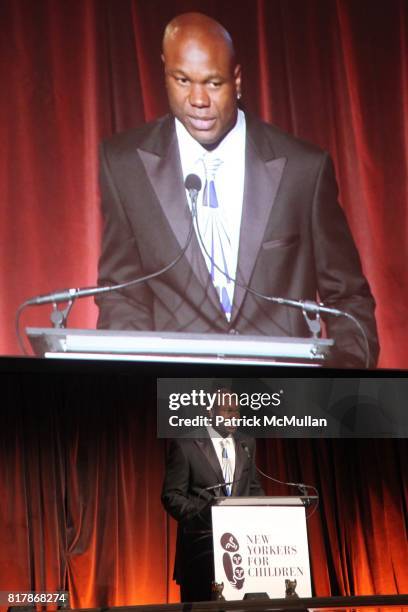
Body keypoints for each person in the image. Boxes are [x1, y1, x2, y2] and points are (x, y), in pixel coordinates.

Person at [96, 12, 379, 368]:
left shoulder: (303, 169)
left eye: (213, 83)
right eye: (183, 80)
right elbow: (123, 298)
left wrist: (338, 395)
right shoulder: (124, 166)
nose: (198, 99)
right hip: (177, 403)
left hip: (283, 404)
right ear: (165, 73)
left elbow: (348, 298)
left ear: (238, 80)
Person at [161, 388, 264, 602]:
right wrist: (202, 516)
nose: (233, 415)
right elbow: (171, 495)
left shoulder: (247, 444)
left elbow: (253, 488)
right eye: (227, 410)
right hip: (201, 551)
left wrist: (263, 514)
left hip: (242, 551)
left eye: (236, 411)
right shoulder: (186, 445)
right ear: (210, 412)